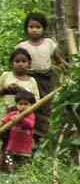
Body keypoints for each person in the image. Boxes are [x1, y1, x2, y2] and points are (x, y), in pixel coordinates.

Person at [16, 12, 66, 144]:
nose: (34, 30)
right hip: (28, 80)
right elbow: (16, 63)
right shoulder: (22, 46)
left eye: (38, 27)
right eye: (31, 27)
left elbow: (58, 60)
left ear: (43, 29)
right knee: (28, 105)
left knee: (45, 107)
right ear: (26, 28)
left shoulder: (49, 43)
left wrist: (65, 68)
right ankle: (26, 136)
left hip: (45, 80)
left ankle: (41, 137)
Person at [0, 87, 37, 173]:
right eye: (20, 104)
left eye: (26, 104)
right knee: (11, 168)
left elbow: (30, 125)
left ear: (32, 105)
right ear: (16, 105)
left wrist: (20, 119)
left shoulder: (31, 115)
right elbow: (3, 121)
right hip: (11, 148)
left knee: (23, 169)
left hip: (25, 150)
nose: (22, 106)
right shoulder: (13, 114)